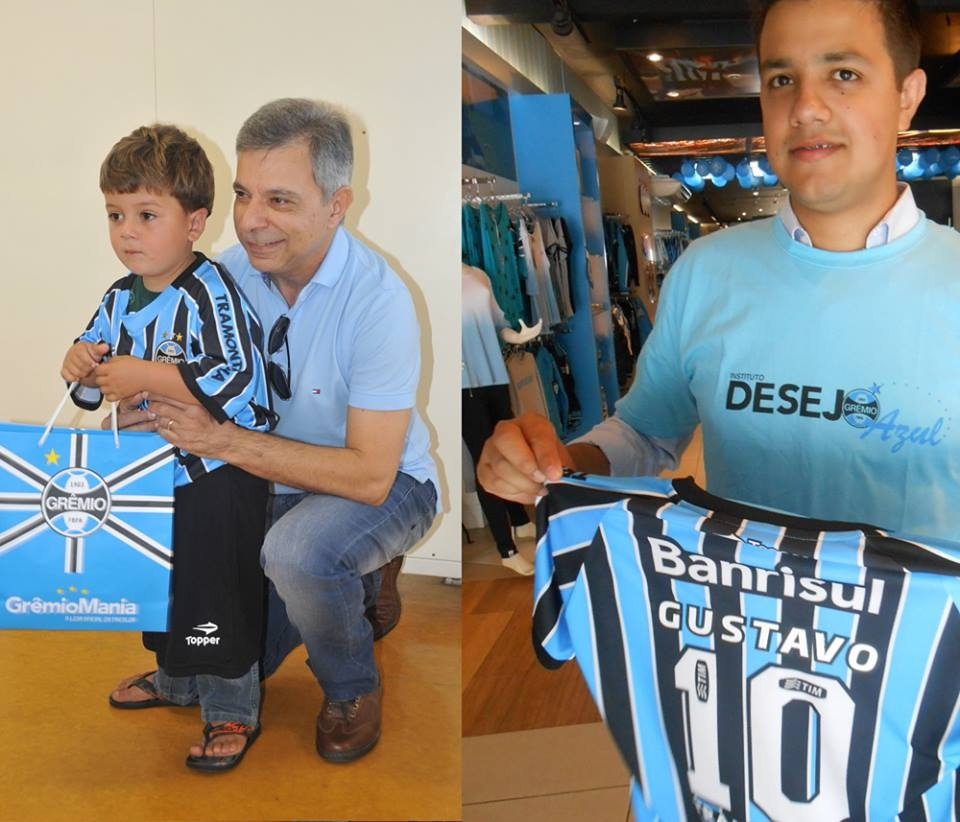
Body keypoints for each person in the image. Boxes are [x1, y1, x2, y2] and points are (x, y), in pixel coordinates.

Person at [479, 0, 960, 542]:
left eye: (843, 74)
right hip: (741, 621)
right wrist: (553, 462)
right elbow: (644, 432)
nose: (805, 107)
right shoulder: (706, 273)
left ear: (907, 97)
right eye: (781, 78)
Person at [110, 98, 439, 763]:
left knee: (296, 554)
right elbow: (166, 386)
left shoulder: (379, 301)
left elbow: (371, 474)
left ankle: (351, 684)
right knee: (223, 653)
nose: (252, 222)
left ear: (337, 204)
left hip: (379, 486)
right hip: (260, 480)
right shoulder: (219, 278)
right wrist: (136, 412)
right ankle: (184, 670)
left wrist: (220, 440)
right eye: (243, 195)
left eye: (281, 201)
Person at [62, 124, 274, 771]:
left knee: (215, 590)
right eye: (116, 214)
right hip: (148, 474)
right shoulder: (117, 297)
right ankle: (178, 677)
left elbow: (234, 377)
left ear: (194, 222)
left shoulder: (210, 292)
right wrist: (80, 368)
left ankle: (231, 703)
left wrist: (145, 376)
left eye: (147, 215)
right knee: (160, 581)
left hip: (218, 474)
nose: (127, 230)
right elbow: (96, 387)